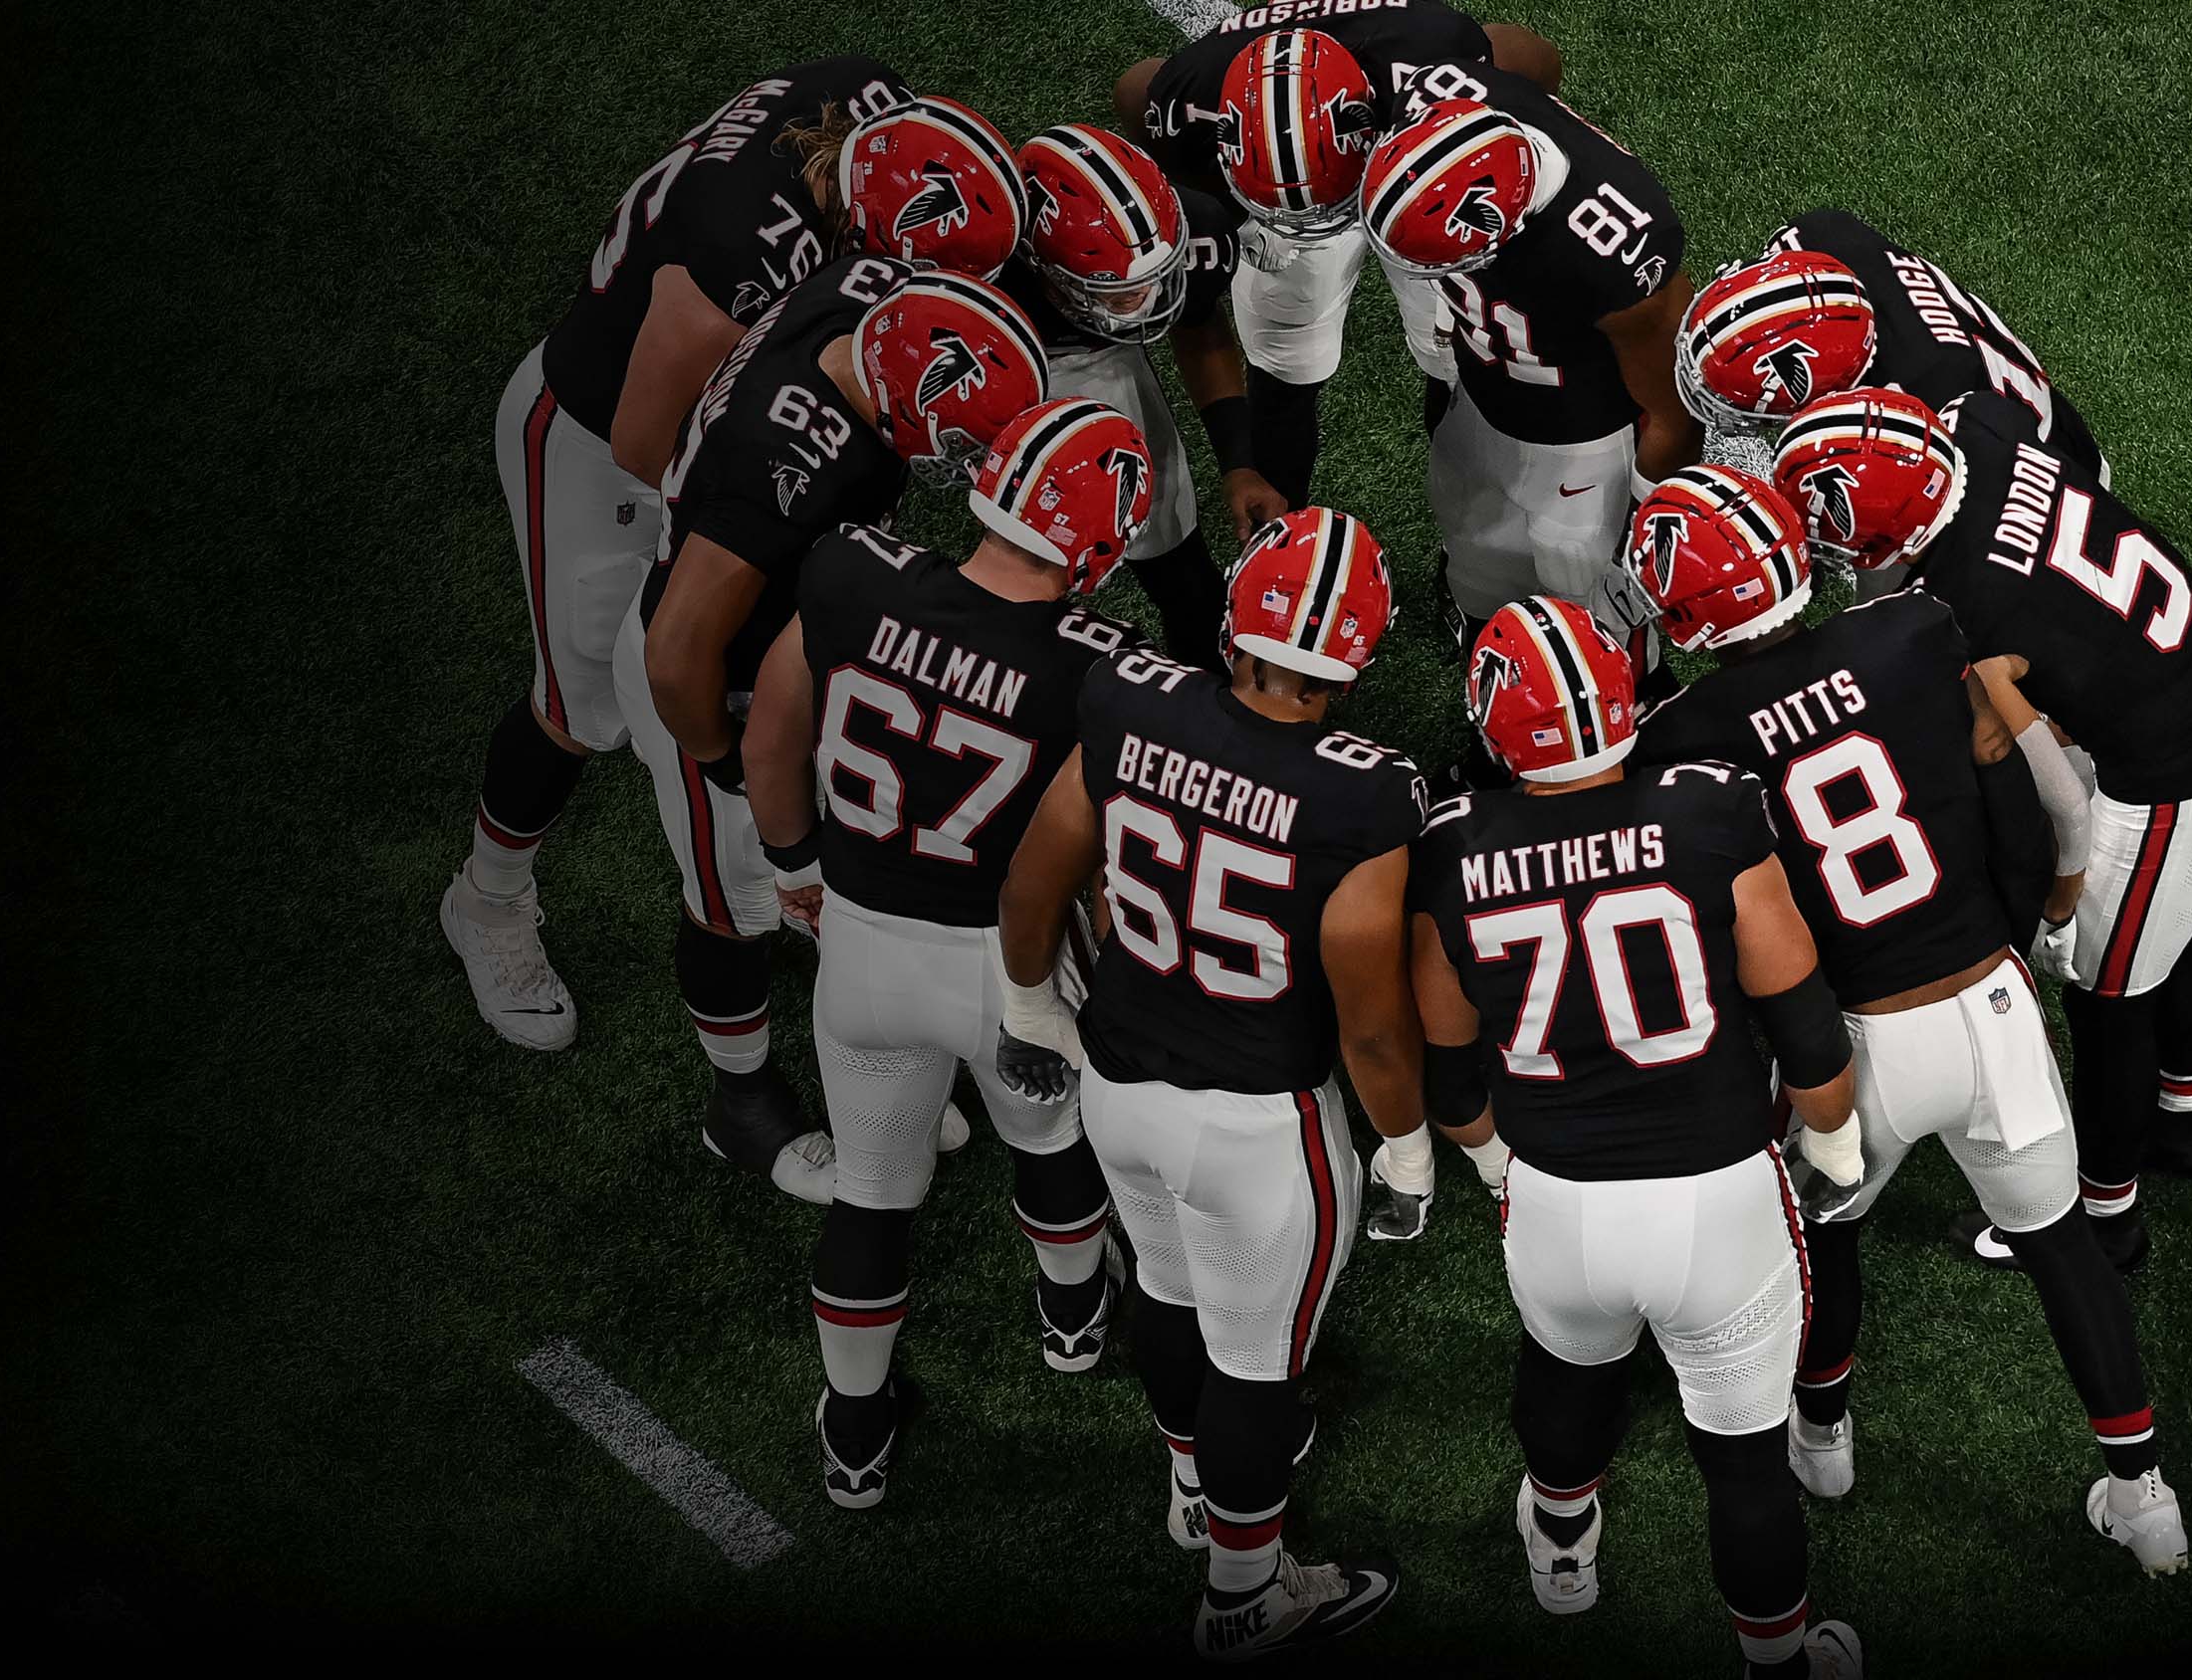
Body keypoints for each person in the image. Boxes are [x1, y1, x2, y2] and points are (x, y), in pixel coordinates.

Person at [1630, 463, 2187, 1575]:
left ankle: (1823, 1437)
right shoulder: (1914, 629)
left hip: (1853, 1041)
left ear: (1688, 617)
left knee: (1826, 1239)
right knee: (2062, 1248)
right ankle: (2146, 1499)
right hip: (1990, 1004)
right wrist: (2039, 908)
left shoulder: (1684, 736)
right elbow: (2013, 780)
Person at [444, 75, 1022, 1048]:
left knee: (760, 666)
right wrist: (772, 507)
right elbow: (646, 441)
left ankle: (772, 866)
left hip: (712, 414)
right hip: (600, 445)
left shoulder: (866, 116)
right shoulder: (746, 258)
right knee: (582, 707)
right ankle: (488, 897)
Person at [1412, 594, 1863, 1678]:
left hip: (1558, 1197)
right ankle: (1776, 1659)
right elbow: (1804, 1022)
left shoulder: (1453, 846)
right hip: (1718, 1197)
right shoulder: (1708, 807)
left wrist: (1494, 1163)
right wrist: (1836, 1145)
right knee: (1743, 1464)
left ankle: (1562, 1541)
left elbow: (1450, 1066)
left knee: (1566, 1371)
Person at [999, 509, 1419, 1658]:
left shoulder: (1132, 697)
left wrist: (1031, 1005)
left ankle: (1193, 1481)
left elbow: (1036, 877)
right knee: (1256, 1365)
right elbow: (1372, 1028)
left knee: (1170, 1288)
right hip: (1257, 1125)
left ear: (1236, 620)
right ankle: (1243, 1593)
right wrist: (1409, 1148)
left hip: (1119, 1083)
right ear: (1354, 661)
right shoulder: (1365, 792)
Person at [1772, 389, 2192, 1278]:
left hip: (2177, 773)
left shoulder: (1959, 599)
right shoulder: (1981, 434)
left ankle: (2107, 1219)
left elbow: (2055, 791)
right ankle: (2185, 1118)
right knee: (2178, 918)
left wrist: (2060, 895)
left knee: (2105, 997)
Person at [744, 398, 1156, 1505]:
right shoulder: (1101, 667)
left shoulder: (851, 573)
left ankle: (855, 1433)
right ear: (1099, 541)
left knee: (872, 1192)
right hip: (1005, 966)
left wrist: (795, 865)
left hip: (862, 945)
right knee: (1050, 1137)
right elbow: (1098, 858)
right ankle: (1073, 1315)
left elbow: (771, 733)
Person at [624, 261, 1050, 1199]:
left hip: (783, 656)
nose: (963, 462)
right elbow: (675, 655)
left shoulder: (868, 296)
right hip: (716, 685)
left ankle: (874, 1053)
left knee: (832, 868)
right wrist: (726, 764)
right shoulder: (786, 467)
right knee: (737, 901)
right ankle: (740, 1103)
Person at [1118, 9, 1565, 497]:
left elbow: (1532, 64)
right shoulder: (1187, 100)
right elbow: (1138, 96)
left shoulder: (1434, 73)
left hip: (1410, 178)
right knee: (1285, 361)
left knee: (1455, 356)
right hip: (1278, 209)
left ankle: (1466, 510)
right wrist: (1237, 218)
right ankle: (1283, 525)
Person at [1358, 73, 1698, 661]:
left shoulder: (1610, 253)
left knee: (1592, 622)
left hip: (1584, 451)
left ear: (1500, 226)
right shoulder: (1444, 95)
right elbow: (1528, 57)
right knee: (1474, 554)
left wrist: (1641, 521)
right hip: (1480, 402)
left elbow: (1675, 412)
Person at [1675, 209, 2103, 599]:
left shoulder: (1919, 416)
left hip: (2036, 478)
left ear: (1835, 392)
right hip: (1983, 386)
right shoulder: (1818, 236)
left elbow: (1894, 560)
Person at [1008, 121, 1254, 662]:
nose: (1147, 298)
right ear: (1038, 264)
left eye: (1153, 277)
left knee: (1171, 552)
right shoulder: (986, 274)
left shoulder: (1198, 231)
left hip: (1091, 350)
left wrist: (1238, 461)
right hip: (1011, 345)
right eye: (1119, 291)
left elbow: (1199, 327)